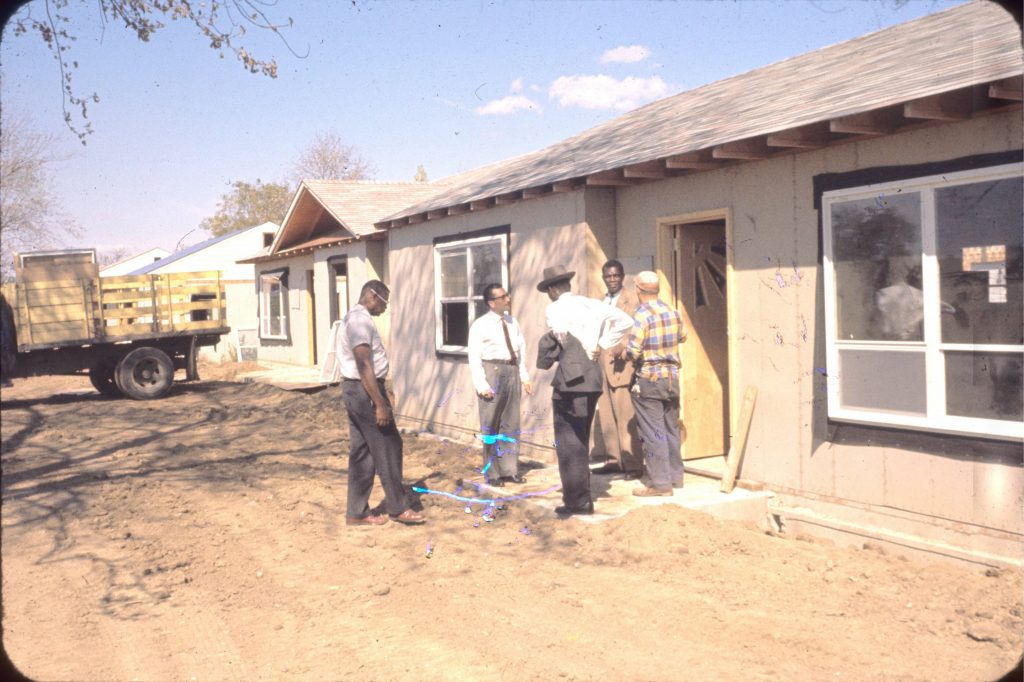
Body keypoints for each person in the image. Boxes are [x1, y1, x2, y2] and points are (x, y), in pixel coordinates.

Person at [535, 264, 633, 517]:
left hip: (571, 379)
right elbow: (626, 321)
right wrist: (602, 343)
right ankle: (581, 497)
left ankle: (577, 501)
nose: (549, 295)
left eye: (549, 290)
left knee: (569, 441)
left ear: (555, 289)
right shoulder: (593, 304)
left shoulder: (555, 309)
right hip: (592, 376)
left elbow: (559, 339)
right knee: (581, 436)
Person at [337, 280, 425, 526]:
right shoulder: (359, 322)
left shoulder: (355, 319)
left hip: (358, 390)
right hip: (363, 392)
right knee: (388, 445)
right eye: (384, 302)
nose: (385, 308)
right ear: (372, 297)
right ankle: (398, 508)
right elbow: (364, 364)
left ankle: (356, 512)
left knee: (363, 452)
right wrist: (380, 403)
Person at [620, 271, 687, 497]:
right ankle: (676, 477)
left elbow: (634, 351)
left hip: (649, 377)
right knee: (671, 428)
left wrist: (624, 352)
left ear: (639, 289)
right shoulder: (673, 311)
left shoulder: (641, 315)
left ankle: (660, 484)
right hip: (672, 377)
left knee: (653, 431)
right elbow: (682, 337)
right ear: (657, 290)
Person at [467, 283, 533, 486]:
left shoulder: (513, 322)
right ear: (491, 303)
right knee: (491, 426)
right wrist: (482, 385)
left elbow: (520, 351)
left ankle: (510, 470)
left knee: (511, 424)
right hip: (492, 373)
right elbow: (474, 357)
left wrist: (524, 376)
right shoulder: (480, 325)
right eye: (503, 297)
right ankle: (493, 473)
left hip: (511, 371)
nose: (508, 299)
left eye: (507, 295)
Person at [591, 259, 644, 479]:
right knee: (606, 415)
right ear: (603, 278)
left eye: (616, 276)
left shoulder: (632, 300)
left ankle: (633, 465)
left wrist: (622, 347)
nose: (612, 279)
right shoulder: (600, 302)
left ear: (622, 277)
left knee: (625, 415)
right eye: (608, 276)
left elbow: (636, 330)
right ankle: (613, 460)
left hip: (623, 363)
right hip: (602, 362)